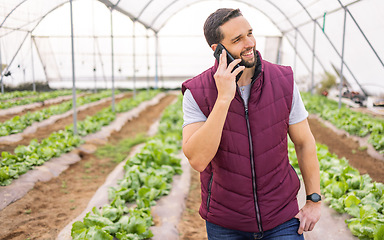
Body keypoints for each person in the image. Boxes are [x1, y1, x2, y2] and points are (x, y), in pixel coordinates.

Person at [181, 8, 321, 240]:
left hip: (282, 218)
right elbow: (198, 159)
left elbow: (305, 142)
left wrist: (313, 199)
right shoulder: (197, 92)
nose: (250, 43)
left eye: (250, 33)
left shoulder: (283, 80)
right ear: (217, 50)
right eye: (237, 39)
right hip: (226, 223)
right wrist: (224, 98)